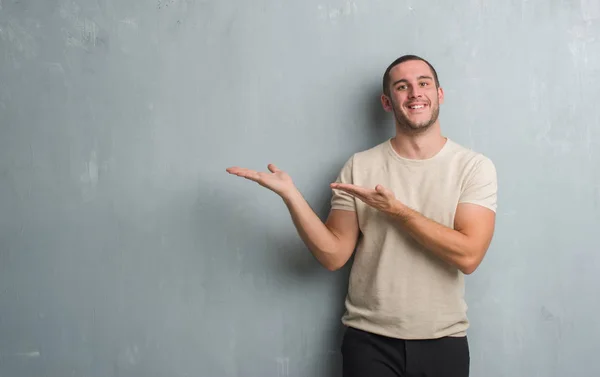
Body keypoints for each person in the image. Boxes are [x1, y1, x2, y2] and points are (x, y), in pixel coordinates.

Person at [226, 55, 497, 377]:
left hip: (444, 339)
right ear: (387, 101)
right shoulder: (360, 167)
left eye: (423, 83)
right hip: (370, 341)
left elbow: (468, 256)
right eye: (402, 86)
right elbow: (334, 255)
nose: (414, 93)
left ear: (439, 94)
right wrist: (291, 196)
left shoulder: (473, 167)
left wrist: (396, 211)